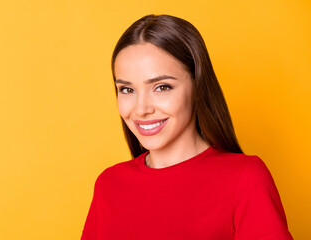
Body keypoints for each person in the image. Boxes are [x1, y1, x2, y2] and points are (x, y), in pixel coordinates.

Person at [81, 14, 293, 239]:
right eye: (127, 89)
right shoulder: (109, 185)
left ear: (198, 87)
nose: (141, 109)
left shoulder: (245, 179)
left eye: (161, 87)